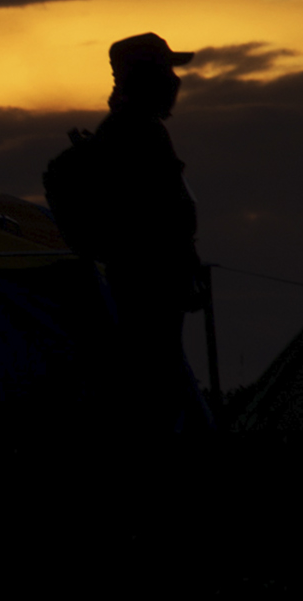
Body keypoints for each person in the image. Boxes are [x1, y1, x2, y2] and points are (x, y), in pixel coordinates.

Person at [71, 32, 209, 433]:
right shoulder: (134, 133)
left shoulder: (129, 129)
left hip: (149, 282)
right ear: (145, 76)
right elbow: (152, 216)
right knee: (152, 391)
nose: (175, 81)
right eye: (166, 70)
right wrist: (176, 262)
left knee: (153, 385)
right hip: (147, 284)